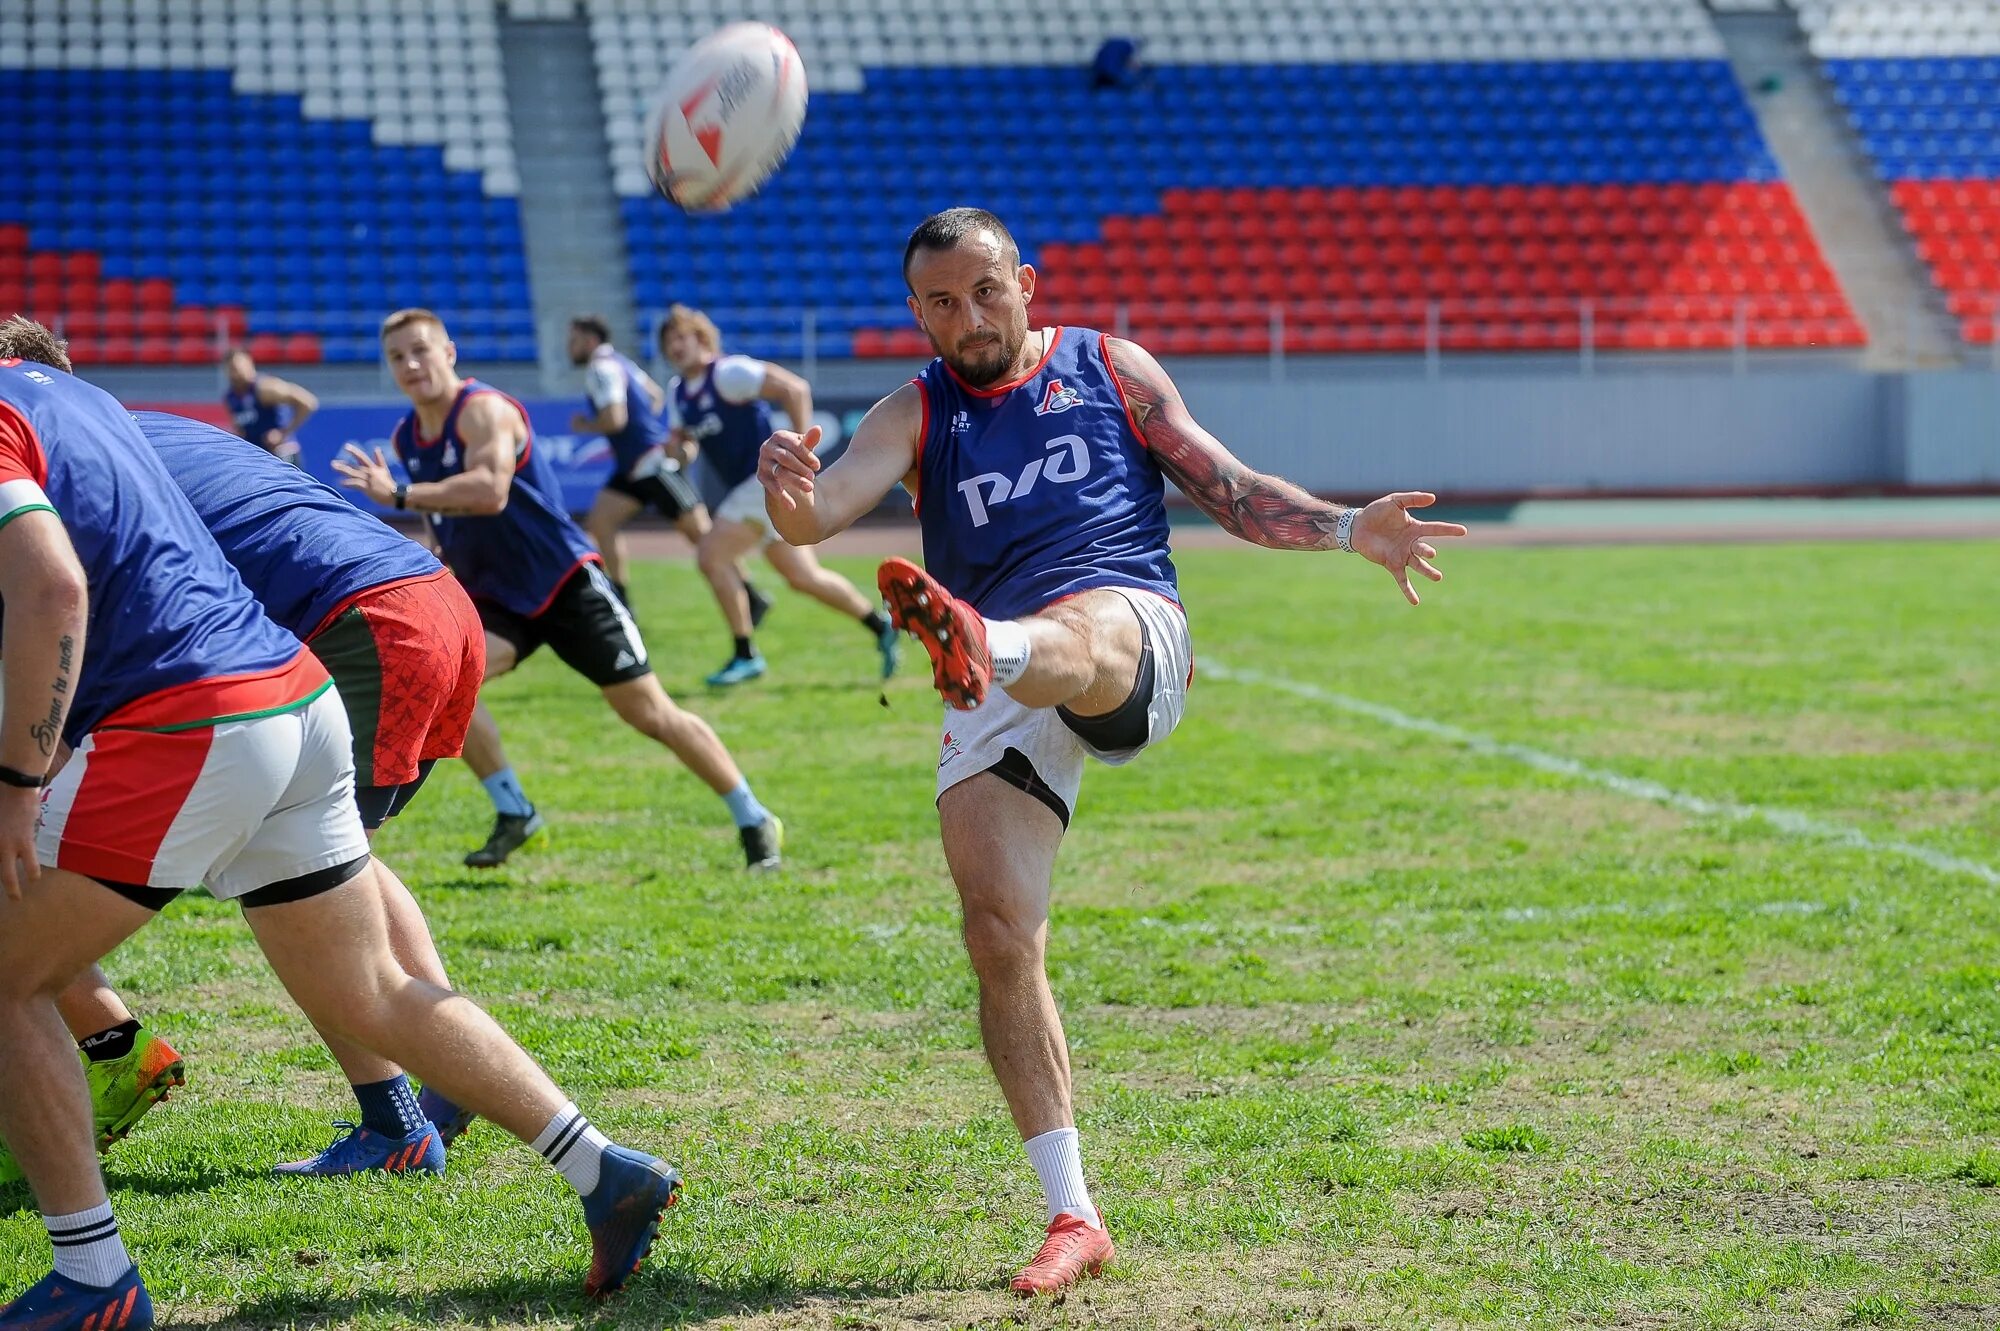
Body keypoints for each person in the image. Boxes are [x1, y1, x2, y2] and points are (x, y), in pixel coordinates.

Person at [757, 207, 1467, 1297]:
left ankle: (983, 643)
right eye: (941, 303)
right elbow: (824, 516)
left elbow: (1228, 490)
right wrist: (794, 503)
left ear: (1025, 282)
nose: (968, 317)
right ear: (916, 312)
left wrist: (1341, 527)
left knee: (1076, 629)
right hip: (993, 678)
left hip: (1124, 636)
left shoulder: (1107, 367)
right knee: (996, 931)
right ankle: (1073, 1212)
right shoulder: (915, 410)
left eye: (986, 290)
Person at [0, 356, 680, 1331]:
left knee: (9, 975)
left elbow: (55, 588)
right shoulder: (88, 403)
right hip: (294, 688)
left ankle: (95, 1274)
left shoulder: (14, 423)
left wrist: (20, 781)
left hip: (206, 709)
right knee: (371, 986)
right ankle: (602, 1165)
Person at [0, 316, 484, 1181]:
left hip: (357, 617)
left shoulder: (59, 455)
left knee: (302, 880)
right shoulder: (130, 426)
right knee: (335, 862)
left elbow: (64, 609)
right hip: (425, 598)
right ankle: (437, 1088)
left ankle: (405, 1115)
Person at [335, 308, 784, 871]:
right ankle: (515, 810)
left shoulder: (483, 411)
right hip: (499, 598)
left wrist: (400, 493)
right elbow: (450, 516)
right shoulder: (409, 434)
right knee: (444, 679)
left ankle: (752, 815)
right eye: (397, 357)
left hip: (564, 584)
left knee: (649, 713)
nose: (411, 364)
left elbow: (489, 490)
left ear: (449, 352)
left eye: (421, 350)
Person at [658, 305, 899, 687]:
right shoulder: (677, 394)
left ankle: (745, 652)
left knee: (710, 555)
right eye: (668, 342)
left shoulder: (727, 372)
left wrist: (802, 448)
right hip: (758, 491)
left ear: (701, 339)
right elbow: (684, 447)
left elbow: (794, 388)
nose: (675, 347)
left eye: (681, 337)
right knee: (804, 577)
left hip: (763, 479)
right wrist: (677, 452)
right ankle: (880, 626)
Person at [564, 313, 771, 629]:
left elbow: (615, 419)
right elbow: (654, 395)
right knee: (600, 522)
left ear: (591, 341)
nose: (570, 347)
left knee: (702, 537)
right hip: (632, 466)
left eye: (574, 340)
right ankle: (621, 602)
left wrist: (586, 425)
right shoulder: (623, 363)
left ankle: (751, 596)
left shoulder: (599, 368)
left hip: (651, 464)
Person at [221, 346, 316, 464]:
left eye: (238, 368)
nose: (235, 374)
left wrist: (283, 432)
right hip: (258, 458)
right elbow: (242, 425)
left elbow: (308, 402)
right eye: (231, 370)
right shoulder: (231, 397)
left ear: (249, 364)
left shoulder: (266, 388)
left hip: (281, 455)